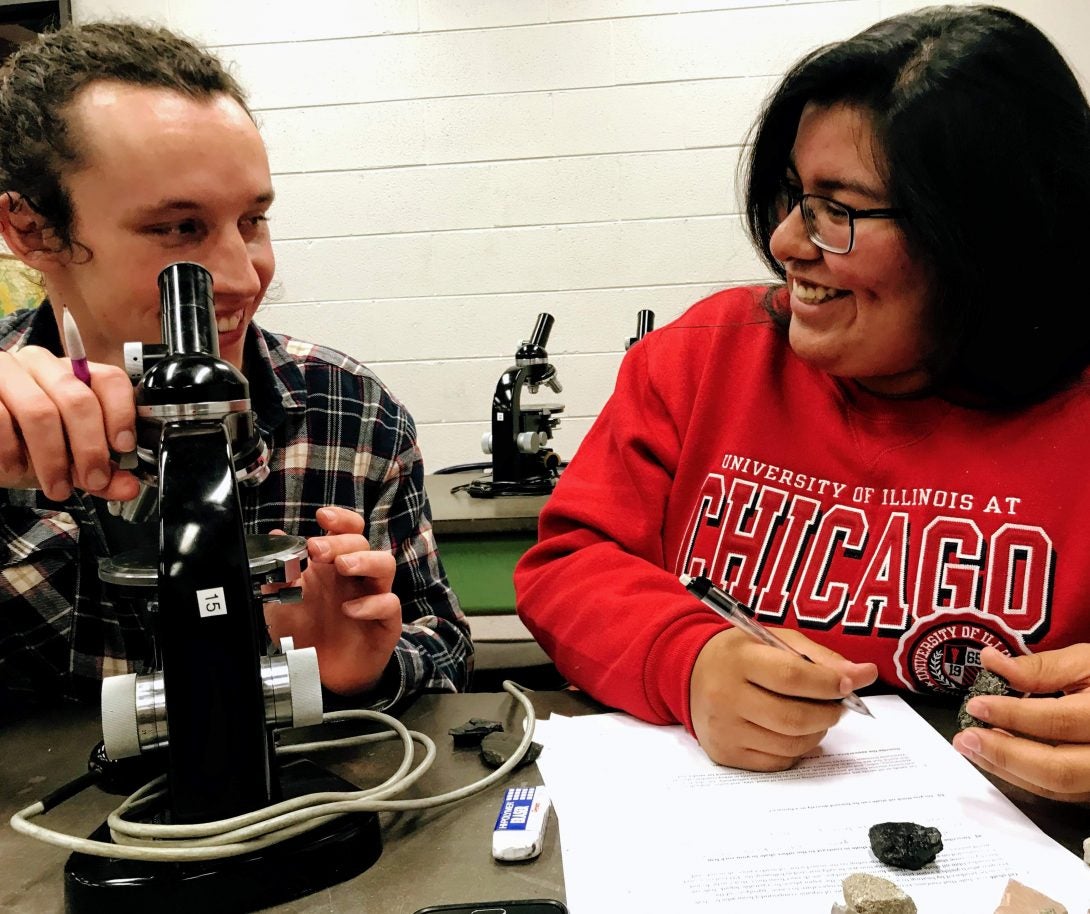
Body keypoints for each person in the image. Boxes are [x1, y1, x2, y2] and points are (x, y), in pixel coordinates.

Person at [515, 4, 1090, 802]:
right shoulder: (706, 356)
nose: (786, 242)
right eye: (793, 195)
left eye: (838, 210)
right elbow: (569, 564)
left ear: (985, 234)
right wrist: (686, 658)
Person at [0, 22, 472, 708]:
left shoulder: (350, 411)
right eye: (177, 228)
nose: (239, 275)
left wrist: (363, 668)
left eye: (252, 221)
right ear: (32, 230)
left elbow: (445, 648)